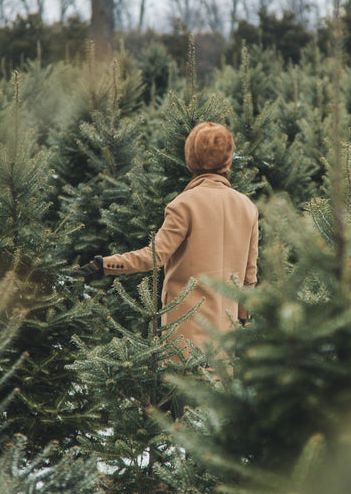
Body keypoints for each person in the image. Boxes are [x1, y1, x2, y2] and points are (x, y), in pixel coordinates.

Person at [77, 121, 259, 358]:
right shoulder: (248, 207)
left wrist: (103, 266)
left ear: (191, 158)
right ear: (228, 157)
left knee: (180, 392)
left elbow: (153, 257)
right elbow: (249, 277)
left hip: (186, 331)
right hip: (226, 334)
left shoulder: (184, 204)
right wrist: (242, 317)